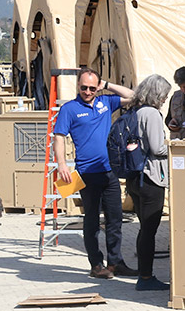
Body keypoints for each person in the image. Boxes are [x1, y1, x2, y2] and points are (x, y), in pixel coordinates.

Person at [52, 67, 137, 279]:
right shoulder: (69, 109)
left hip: (109, 172)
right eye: (83, 87)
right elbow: (59, 137)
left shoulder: (105, 102)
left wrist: (106, 86)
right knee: (91, 221)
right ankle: (96, 265)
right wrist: (61, 164)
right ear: (78, 86)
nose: (87, 92)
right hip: (87, 173)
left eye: (92, 88)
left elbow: (134, 97)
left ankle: (115, 262)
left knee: (115, 219)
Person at [123, 74, 172, 292]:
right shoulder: (151, 114)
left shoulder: (134, 111)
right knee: (149, 230)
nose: (164, 100)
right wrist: (174, 144)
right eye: (164, 96)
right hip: (151, 178)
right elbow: (157, 148)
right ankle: (145, 276)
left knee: (144, 228)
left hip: (135, 177)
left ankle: (144, 274)